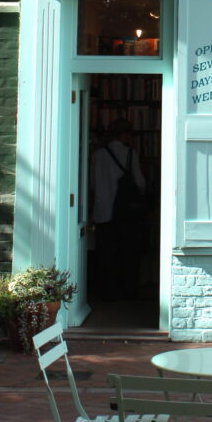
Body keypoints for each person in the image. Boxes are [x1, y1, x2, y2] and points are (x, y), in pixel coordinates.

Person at [91, 119, 146, 300]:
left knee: (106, 254)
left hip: (102, 211)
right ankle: (128, 292)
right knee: (128, 253)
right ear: (124, 134)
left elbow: (92, 183)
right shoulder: (130, 153)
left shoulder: (97, 155)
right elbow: (140, 182)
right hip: (125, 213)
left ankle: (107, 291)